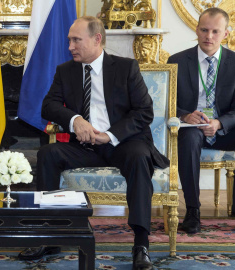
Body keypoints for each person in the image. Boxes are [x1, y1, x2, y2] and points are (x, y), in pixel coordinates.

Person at [18, 16, 169, 270]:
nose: (70, 46)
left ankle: (141, 245)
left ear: (97, 39)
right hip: (85, 147)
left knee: (139, 157)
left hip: (124, 144)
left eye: (76, 40)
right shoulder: (65, 71)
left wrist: (109, 135)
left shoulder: (126, 68)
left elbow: (144, 112)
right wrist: (75, 119)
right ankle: (50, 235)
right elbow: (48, 106)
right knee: (47, 154)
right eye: (69, 40)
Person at [168, 7, 235, 234]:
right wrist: (185, 115)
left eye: (215, 31)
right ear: (196, 30)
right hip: (192, 127)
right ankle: (192, 210)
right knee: (188, 138)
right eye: (204, 30)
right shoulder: (177, 61)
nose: (209, 36)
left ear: (225, 34)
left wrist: (219, 123)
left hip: (224, 129)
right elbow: (165, 105)